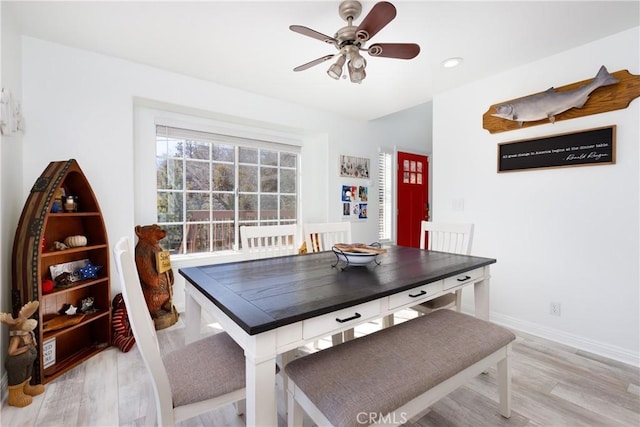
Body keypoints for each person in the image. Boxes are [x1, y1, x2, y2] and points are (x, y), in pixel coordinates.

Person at [1, 301, 45, 407]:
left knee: (26, 372)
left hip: (26, 360)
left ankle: (26, 388)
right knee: (18, 375)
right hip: (16, 363)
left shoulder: (28, 334)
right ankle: (15, 396)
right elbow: (11, 352)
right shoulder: (17, 338)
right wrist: (24, 349)